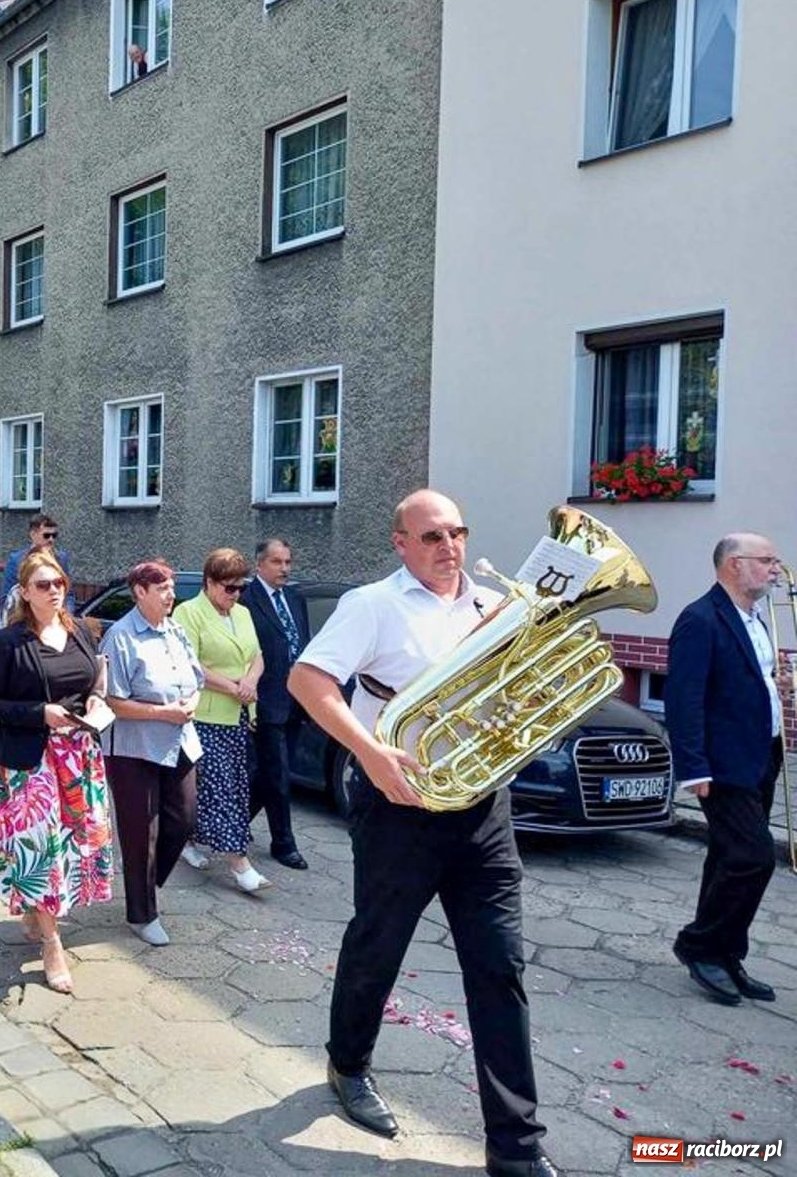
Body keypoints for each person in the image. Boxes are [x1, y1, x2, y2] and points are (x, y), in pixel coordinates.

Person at [287, 489, 553, 1177]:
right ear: (400, 542)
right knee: (378, 945)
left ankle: (516, 1147)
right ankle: (348, 1065)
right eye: (431, 535)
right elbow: (308, 680)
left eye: (457, 532)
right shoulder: (372, 604)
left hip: (483, 809)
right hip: (398, 802)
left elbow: (516, 693)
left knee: (500, 969)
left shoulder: (497, 606)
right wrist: (368, 752)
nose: (448, 546)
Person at [0, 551, 114, 995]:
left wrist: (95, 702)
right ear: (24, 592)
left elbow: (93, 683)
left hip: (79, 754)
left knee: (74, 844)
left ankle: (35, 912)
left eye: (59, 582)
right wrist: (40, 712)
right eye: (43, 584)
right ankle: (52, 942)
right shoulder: (8, 641)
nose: (54, 590)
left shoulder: (80, 631)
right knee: (40, 848)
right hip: (32, 760)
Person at [667, 533, 786, 1007]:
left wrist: (777, 691)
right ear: (735, 565)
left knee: (725, 858)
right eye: (767, 561)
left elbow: (749, 682)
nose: (776, 569)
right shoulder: (700, 619)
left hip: (763, 754)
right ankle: (698, 944)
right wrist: (693, 767)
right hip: (723, 764)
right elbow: (683, 700)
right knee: (752, 858)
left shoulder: (757, 619)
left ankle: (726, 954)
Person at [100, 560, 204, 946]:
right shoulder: (121, 636)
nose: (170, 595)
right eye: (161, 589)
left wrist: (191, 701)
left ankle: (142, 880)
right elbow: (112, 700)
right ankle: (142, 913)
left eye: (171, 588)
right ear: (140, 592)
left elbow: (196, 678)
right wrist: (164, 713)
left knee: (184, 818)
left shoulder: (174, 629)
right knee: (142, 830)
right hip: (133, 748)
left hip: (179, 739)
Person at [172, 548, 270, 893]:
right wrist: (232, 686)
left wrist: (251, 682)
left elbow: (258, 655)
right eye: (228, 587)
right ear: (210, 583)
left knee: (233, 785)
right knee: (218, 787)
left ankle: (190, 840)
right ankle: (239, 864)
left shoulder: (242, 614)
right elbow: (190, 664)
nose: (235, 594)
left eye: (239, 587)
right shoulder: (189, 612)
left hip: (239, 713)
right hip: (206, 714)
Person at [239, 538, 311, 870]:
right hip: (266, 698)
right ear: (260, 565)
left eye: (287, 562)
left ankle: (232, 823)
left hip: (297, 698)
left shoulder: (295, 598)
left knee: (270, 774)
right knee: (279, 774)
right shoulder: (246, 600)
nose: (284, 569)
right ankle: (283, 843)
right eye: (277, 562)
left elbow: (302, 646)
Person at [1, 513, 72, 600]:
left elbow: (68, 594)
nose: (51, 539)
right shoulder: (16, 560)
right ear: (33, 534)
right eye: (46, 535)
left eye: (54, 536)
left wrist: (66, 612)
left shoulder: (61, 558)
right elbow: (6, 597)